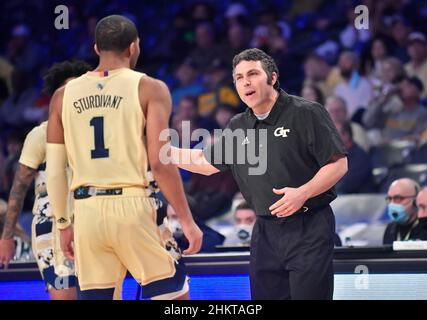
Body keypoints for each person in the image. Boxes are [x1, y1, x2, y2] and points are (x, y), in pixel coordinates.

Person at [46, 15, 202, 300]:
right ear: (133, 48)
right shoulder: (149, 88)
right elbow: (160, 162)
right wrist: (187, 220)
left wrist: (63, 224)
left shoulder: (62, 95)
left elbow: (55, 170)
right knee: (174, 299)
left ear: (96, 49)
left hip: (86, 210)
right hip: (134, 205)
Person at [171, 48, 348, 300]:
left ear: (273, 78)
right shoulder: (238, 125)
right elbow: (203, 161)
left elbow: (338, 164)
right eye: (239, 78)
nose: (245, 82)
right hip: (264, 229)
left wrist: (302, 193)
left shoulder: (306, 112)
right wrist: (158, 151)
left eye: (253, 74)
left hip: (309, 226)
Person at [0, 60, 91, 300]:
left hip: (94, 218)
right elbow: (19, 188)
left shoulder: (98, 129)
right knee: (65, 295)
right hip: (51, 223)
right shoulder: (41, 134)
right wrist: (7, 237)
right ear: (56, 97)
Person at [383, 178, 420, 245]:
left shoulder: (424, 228)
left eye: (398, 198)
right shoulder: (390, 229)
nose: (392, 204)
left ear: (416, 201)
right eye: (389, 199)